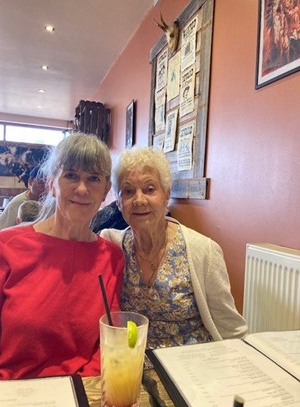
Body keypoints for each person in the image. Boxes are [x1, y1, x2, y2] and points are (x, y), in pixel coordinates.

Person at [0, 133, 124, 380]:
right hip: (9, 390)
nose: (82, 189)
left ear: (106, 190)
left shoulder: (112, 258)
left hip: (81, 392)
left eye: (93, 178)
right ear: (51, 183)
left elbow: (108, 339)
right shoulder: (5, 246)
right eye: (71, 175)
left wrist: (83, 389)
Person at [100, 147, 247, 358]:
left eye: (150, 189)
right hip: (132, 367)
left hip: (193, 369)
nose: (139, 199)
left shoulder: (203, 251)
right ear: (119, 202)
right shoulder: (113, 245)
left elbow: (231, 329)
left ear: (166, 194)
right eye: (129, 191)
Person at [0, 166, 46, 234]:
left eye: (48, 183)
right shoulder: (18, 202)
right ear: (30, 182)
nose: (45, 188)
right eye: (41, 183)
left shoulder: (51, 203)